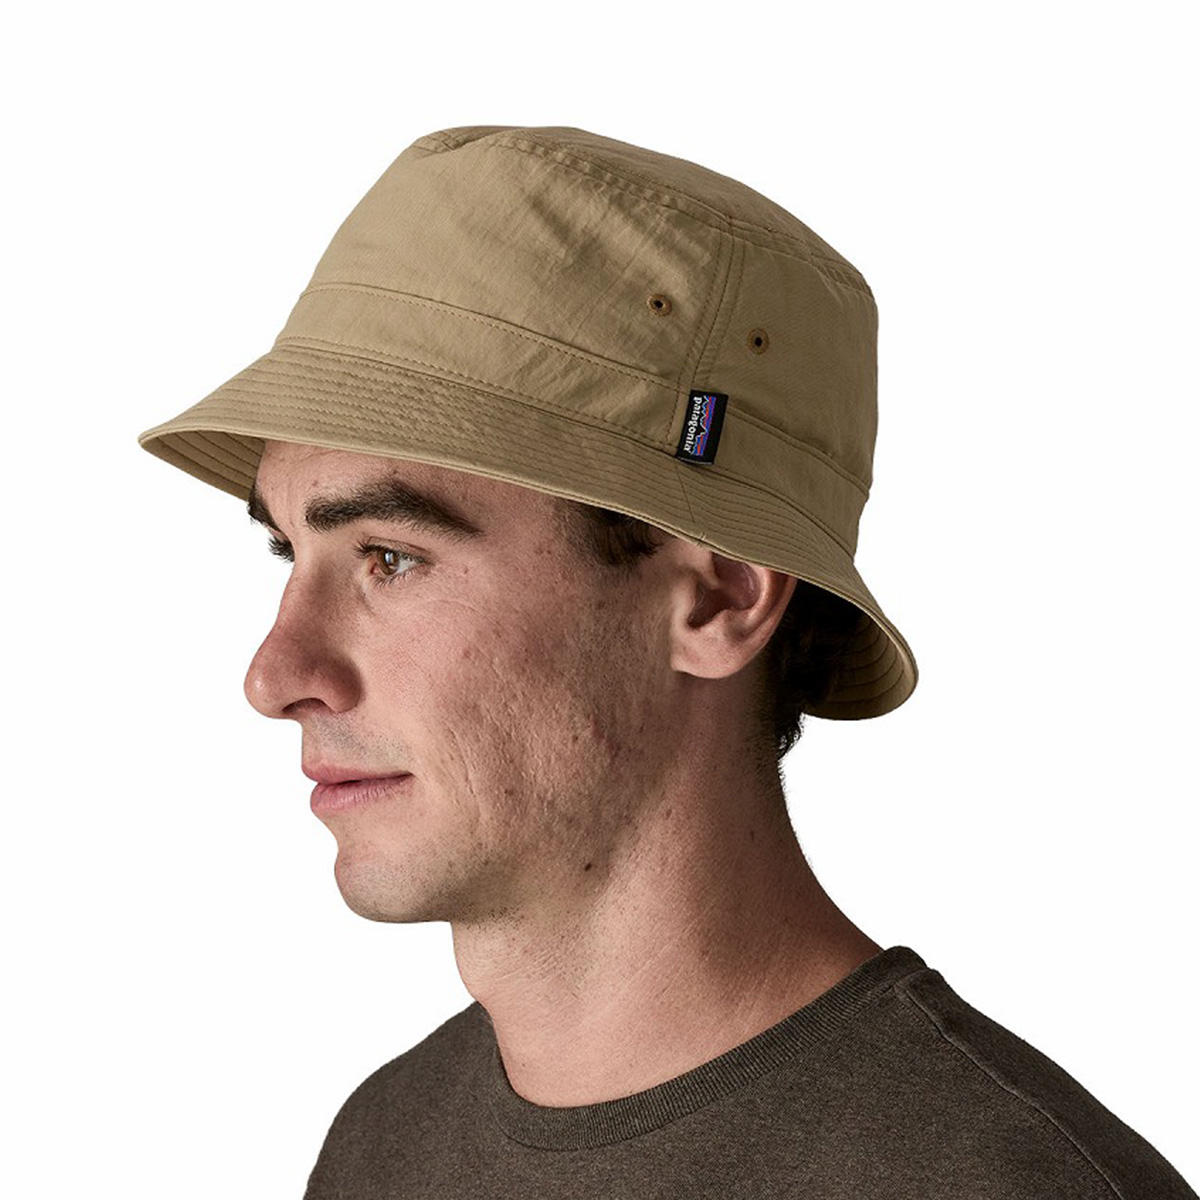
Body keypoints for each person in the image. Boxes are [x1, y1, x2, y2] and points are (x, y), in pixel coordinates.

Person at [136, 124, 1196, 1198]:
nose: (275, 675)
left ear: (718, 596)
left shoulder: (1007, 1183)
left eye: (391, 558)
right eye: (290, 550)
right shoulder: (387, 1145)